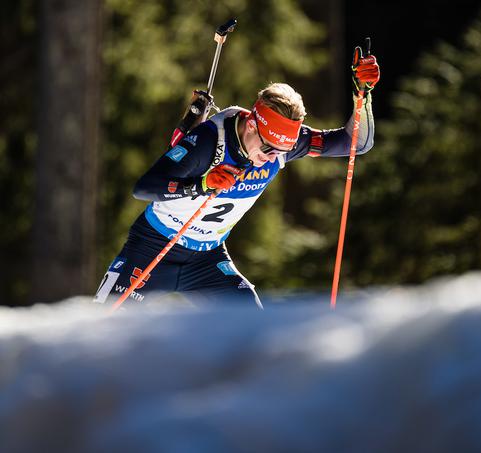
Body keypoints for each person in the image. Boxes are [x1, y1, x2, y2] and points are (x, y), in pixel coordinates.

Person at [93, 47, 380, 308]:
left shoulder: (282, 145)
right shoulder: (209, 140)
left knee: (253, 324)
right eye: (268, 148)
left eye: (284, 150)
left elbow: (355, 142)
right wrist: (202, 184)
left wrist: (361, 96)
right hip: (154, 246)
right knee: (101, 327)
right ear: (252, 125)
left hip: (207, 259)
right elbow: (144, 188)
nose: (272, 157)